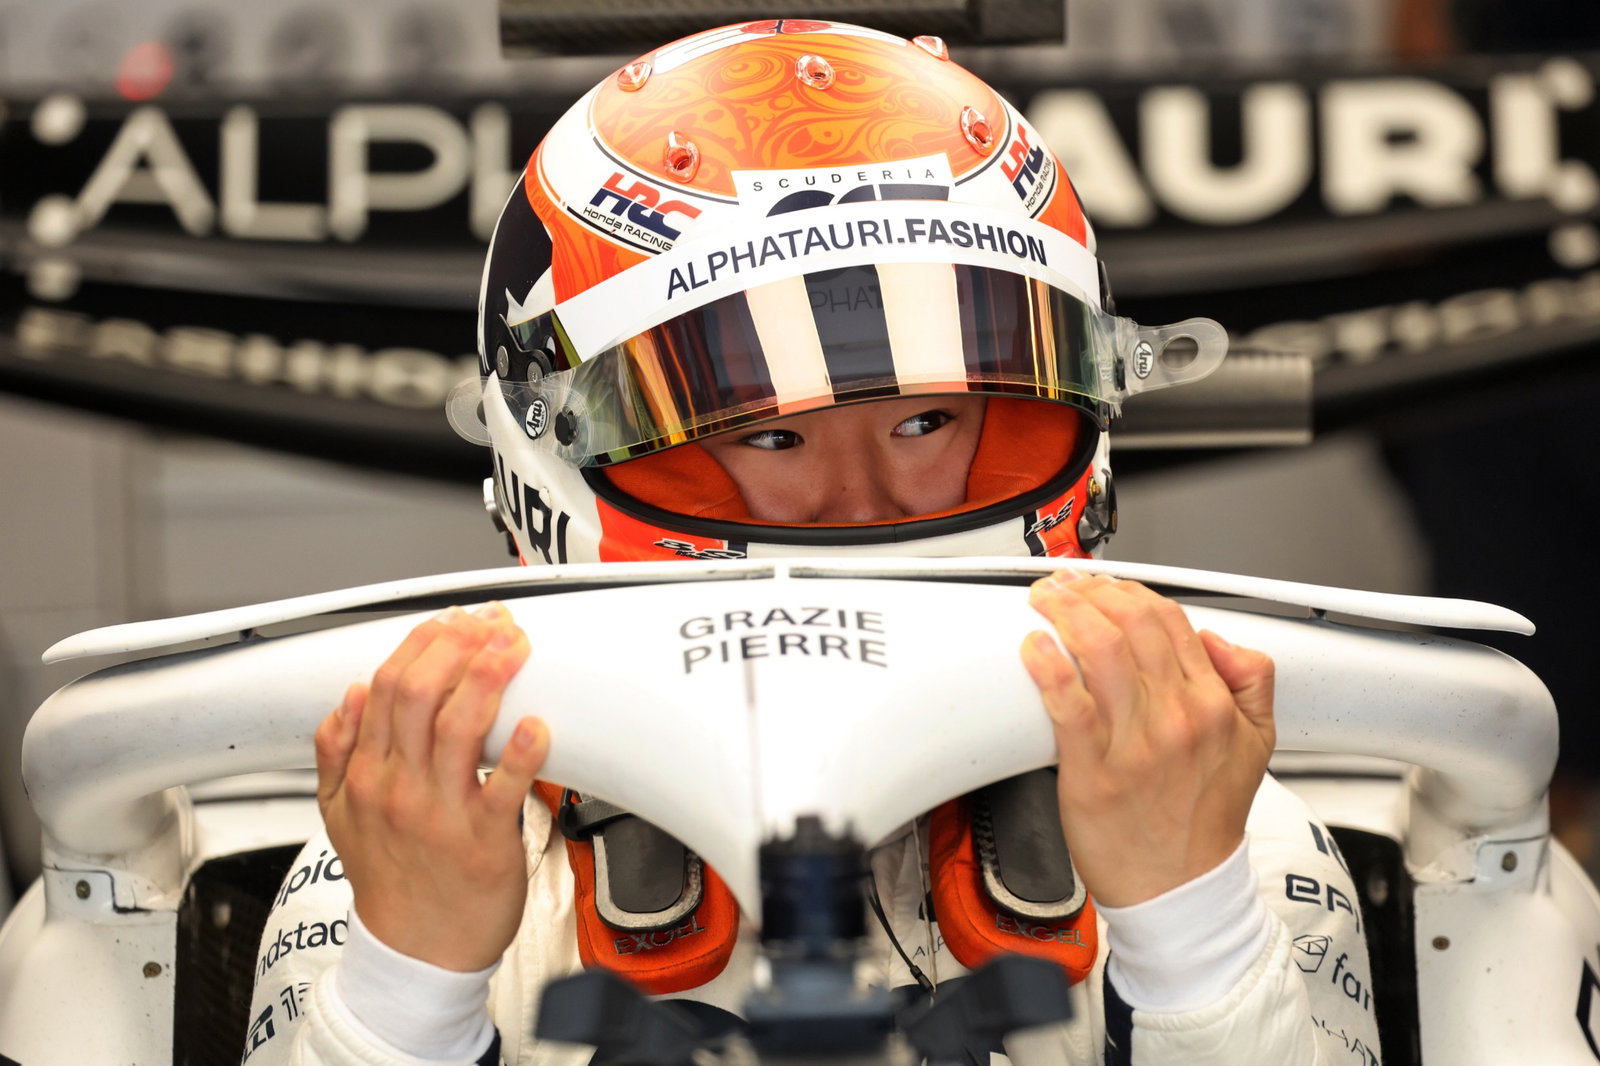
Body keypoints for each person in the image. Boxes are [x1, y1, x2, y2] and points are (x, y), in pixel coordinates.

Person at [245, 19, 1379, 1066]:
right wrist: (410, 983)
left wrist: (1190, 925)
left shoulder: (1220, 823)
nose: (862, 502)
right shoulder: (409, 847)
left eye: (928, 421)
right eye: (775, 434)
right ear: (549, 451)